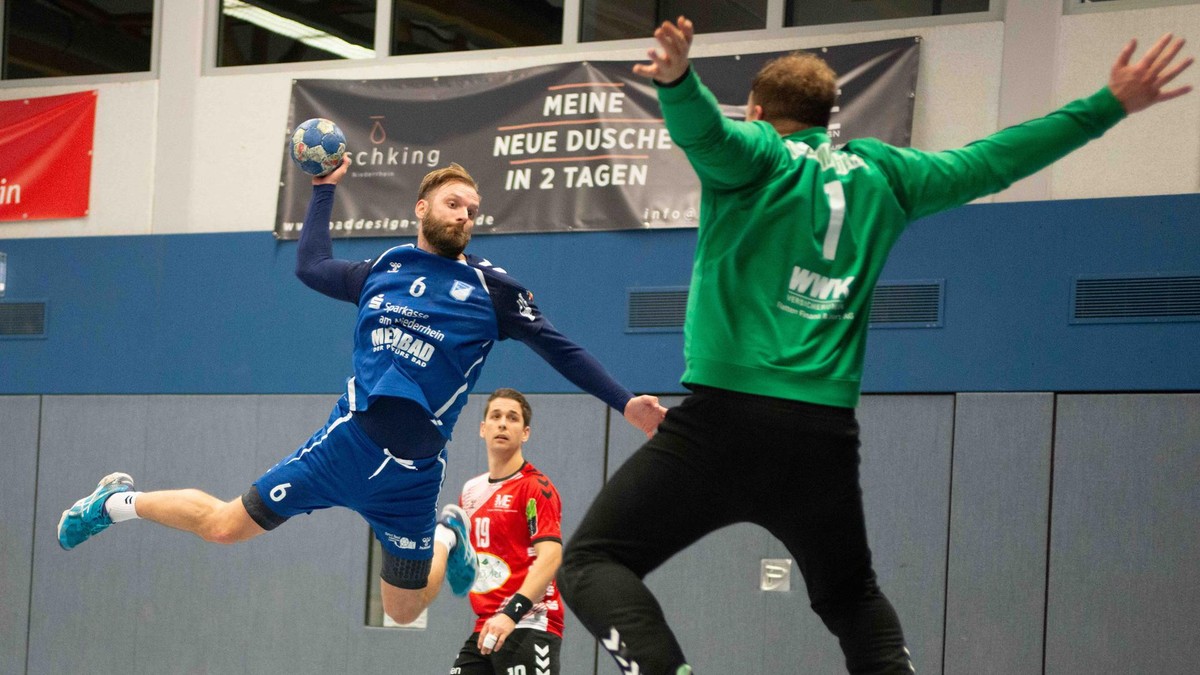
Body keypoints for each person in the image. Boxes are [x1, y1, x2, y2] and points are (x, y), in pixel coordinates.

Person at [557, 16, 1193, 675]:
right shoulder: (884, 173)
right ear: (829, 115)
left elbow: (705, 135)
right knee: (852, 599)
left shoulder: (759, 158)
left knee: (590, 562)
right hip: (821, 436)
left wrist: (679, 81)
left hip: (726, 423)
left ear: (757, 110)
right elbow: (994, 161)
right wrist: (1108, 104)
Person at [56, 158, 667, 628]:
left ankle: (447, 533)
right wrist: (324, 188)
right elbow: (310, 265)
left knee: (403, 612)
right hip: (345, 445)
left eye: (474, 210)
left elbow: (561, 348)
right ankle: (115, 502)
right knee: (223, 527)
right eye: (454, 203)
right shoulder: (384, 270)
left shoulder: (493, 291)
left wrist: (626, 400)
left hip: (414, 476)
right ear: (422, 207)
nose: (465, 215)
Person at [447, 388, 565, 675]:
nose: (502, 423)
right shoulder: (471, 492)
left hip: (530, 622)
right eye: (495, 416)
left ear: (525, 433)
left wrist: (511, 613)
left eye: (512, 418)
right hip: (486, 625)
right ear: (482, 429)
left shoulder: (535, 488)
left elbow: (550, 558)